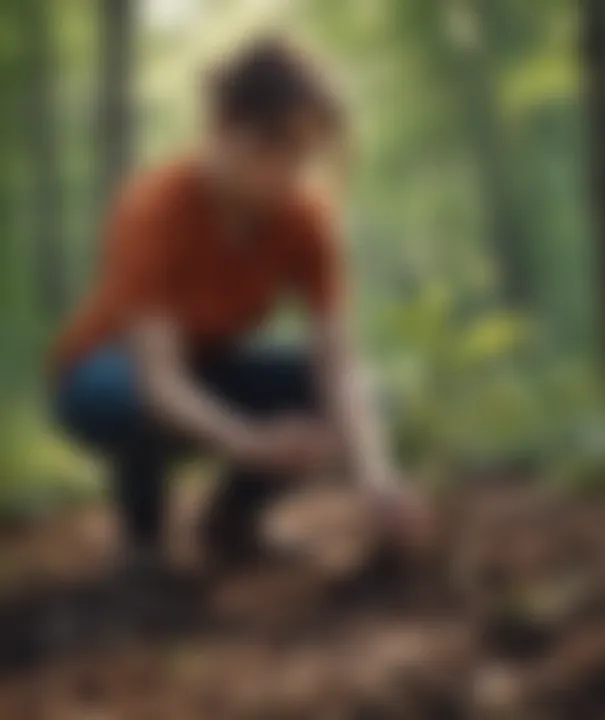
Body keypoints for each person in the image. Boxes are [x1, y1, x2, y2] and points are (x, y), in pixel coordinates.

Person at [50, 38, 421, 570]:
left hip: (210, 371)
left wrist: (377, 479)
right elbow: (159, 381)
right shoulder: (155, 208)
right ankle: (142, 542)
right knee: (126, 397)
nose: (290, 171)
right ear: (222, 128)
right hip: (107, 374)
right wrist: (249, 441)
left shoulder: (305, 220)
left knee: (365, 392)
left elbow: (336, 361)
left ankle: (231, 520)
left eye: (304, 152)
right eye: (273, 148)